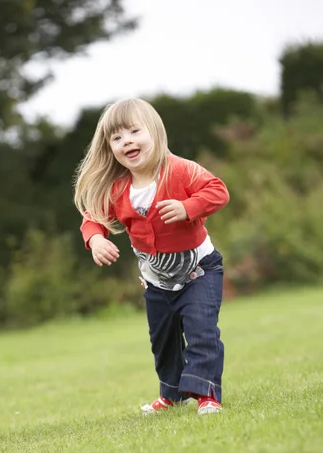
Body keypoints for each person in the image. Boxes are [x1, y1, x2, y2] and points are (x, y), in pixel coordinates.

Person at [74, 98, 230, 415]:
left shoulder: (181, 171)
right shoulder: (117, 189)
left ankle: (208, 396)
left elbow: (217, 190)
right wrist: (95, 239)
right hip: (156, 283)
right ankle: (172, 395)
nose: (126, 141)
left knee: (201, 331)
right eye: (117, 138)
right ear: (110, 148)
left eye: (134, 131)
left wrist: (189, 207)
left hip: (199, 272)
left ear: (155, 133)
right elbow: (92, 219)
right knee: (163, 341)